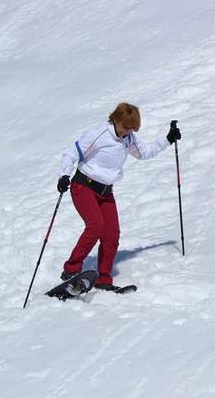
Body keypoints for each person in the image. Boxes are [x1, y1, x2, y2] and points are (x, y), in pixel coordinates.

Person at [56, 102, 181, 291]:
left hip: (106, 192)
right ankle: (71, 270)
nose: (127, 131)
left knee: (112, 234)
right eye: (125, 127)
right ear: (115, 120)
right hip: (83, 186)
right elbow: (72, 153)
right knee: (95, 226)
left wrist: (168, 139)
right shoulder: (98, 134)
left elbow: (144, 153)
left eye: (131, 128)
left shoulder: (128, 139)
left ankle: (103, 278)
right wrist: (64, 175)